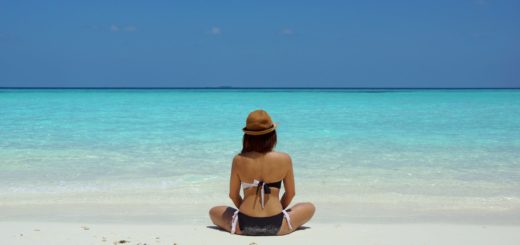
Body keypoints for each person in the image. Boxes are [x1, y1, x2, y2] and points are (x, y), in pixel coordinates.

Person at [209, 109, 315, 236]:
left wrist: (248, 211)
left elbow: (233, 195)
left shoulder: (239, 159)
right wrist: (276, 210)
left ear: (247, 137)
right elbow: (290, 193)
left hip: (244, 224)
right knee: (309, 207)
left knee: (213, 211)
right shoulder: (284, 158)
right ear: (272, 135)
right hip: (277, 224)